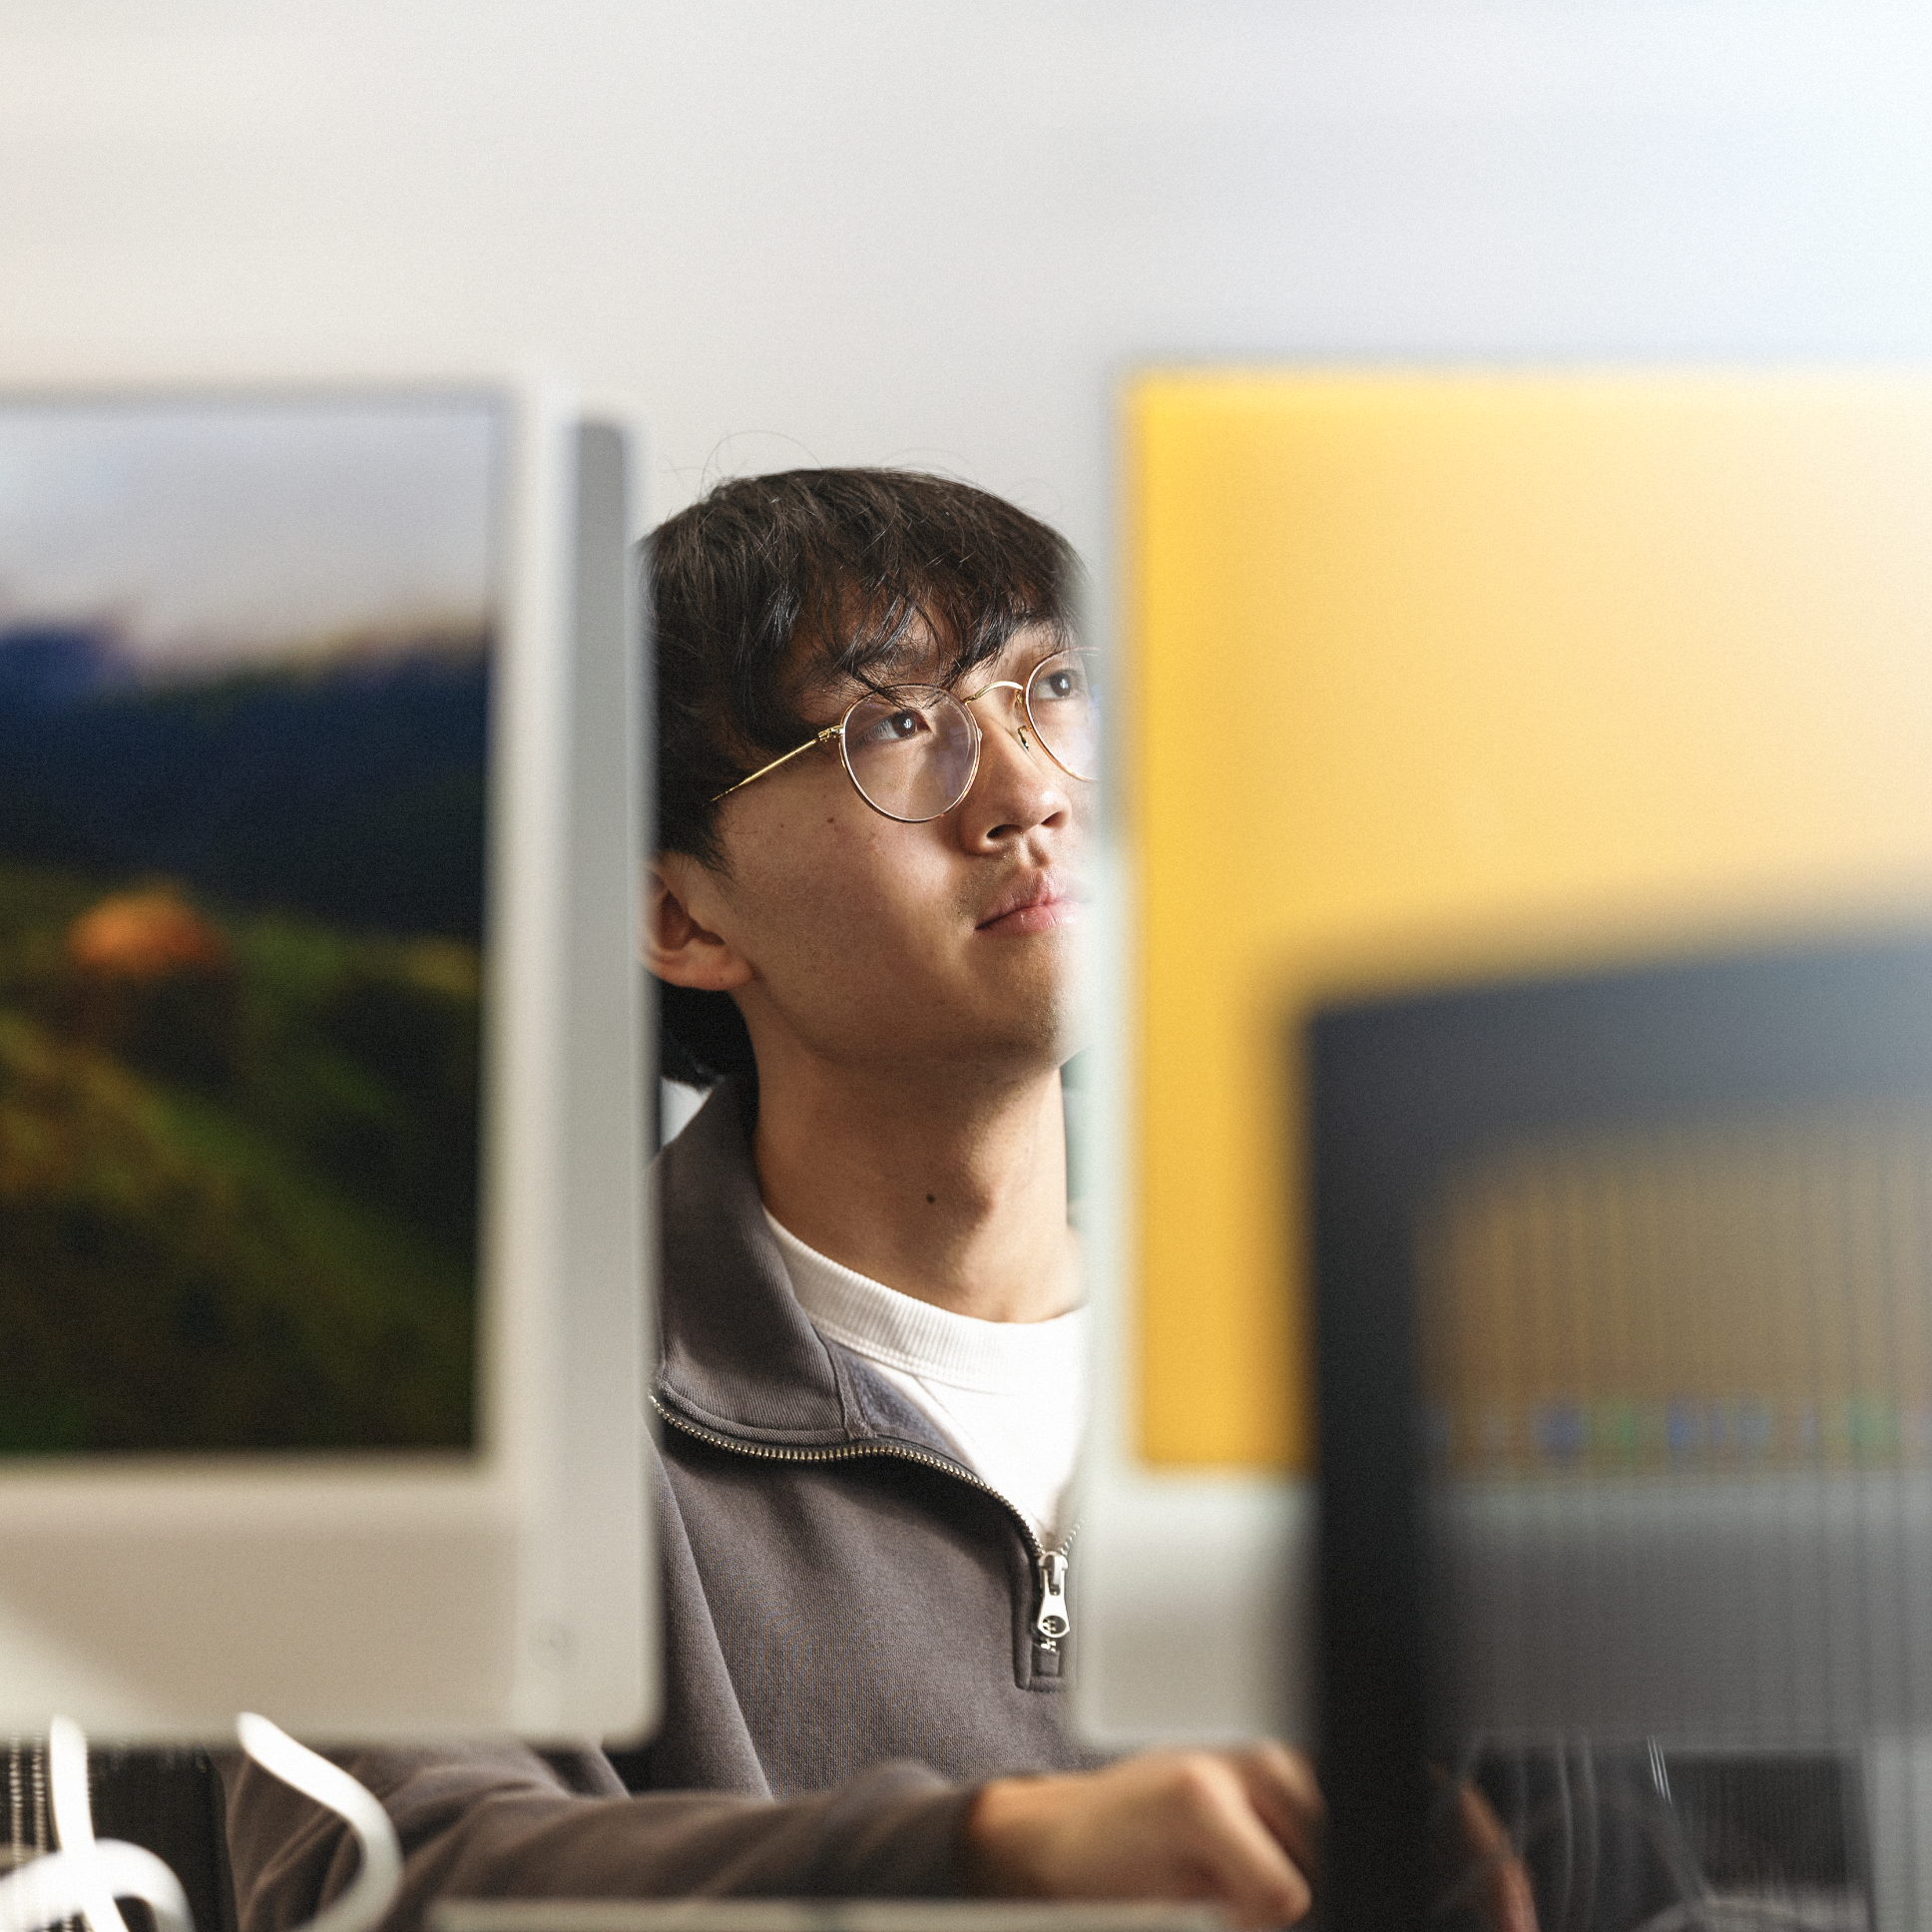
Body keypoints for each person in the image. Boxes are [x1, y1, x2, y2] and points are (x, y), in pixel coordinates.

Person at [223, 469, 1324, 1932]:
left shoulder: (1324, 1367)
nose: (1028, 790)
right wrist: (974, 1859)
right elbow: (392, 1879)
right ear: (679, 914)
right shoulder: (439, 1405)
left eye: (1053, 684)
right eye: (898, 725)